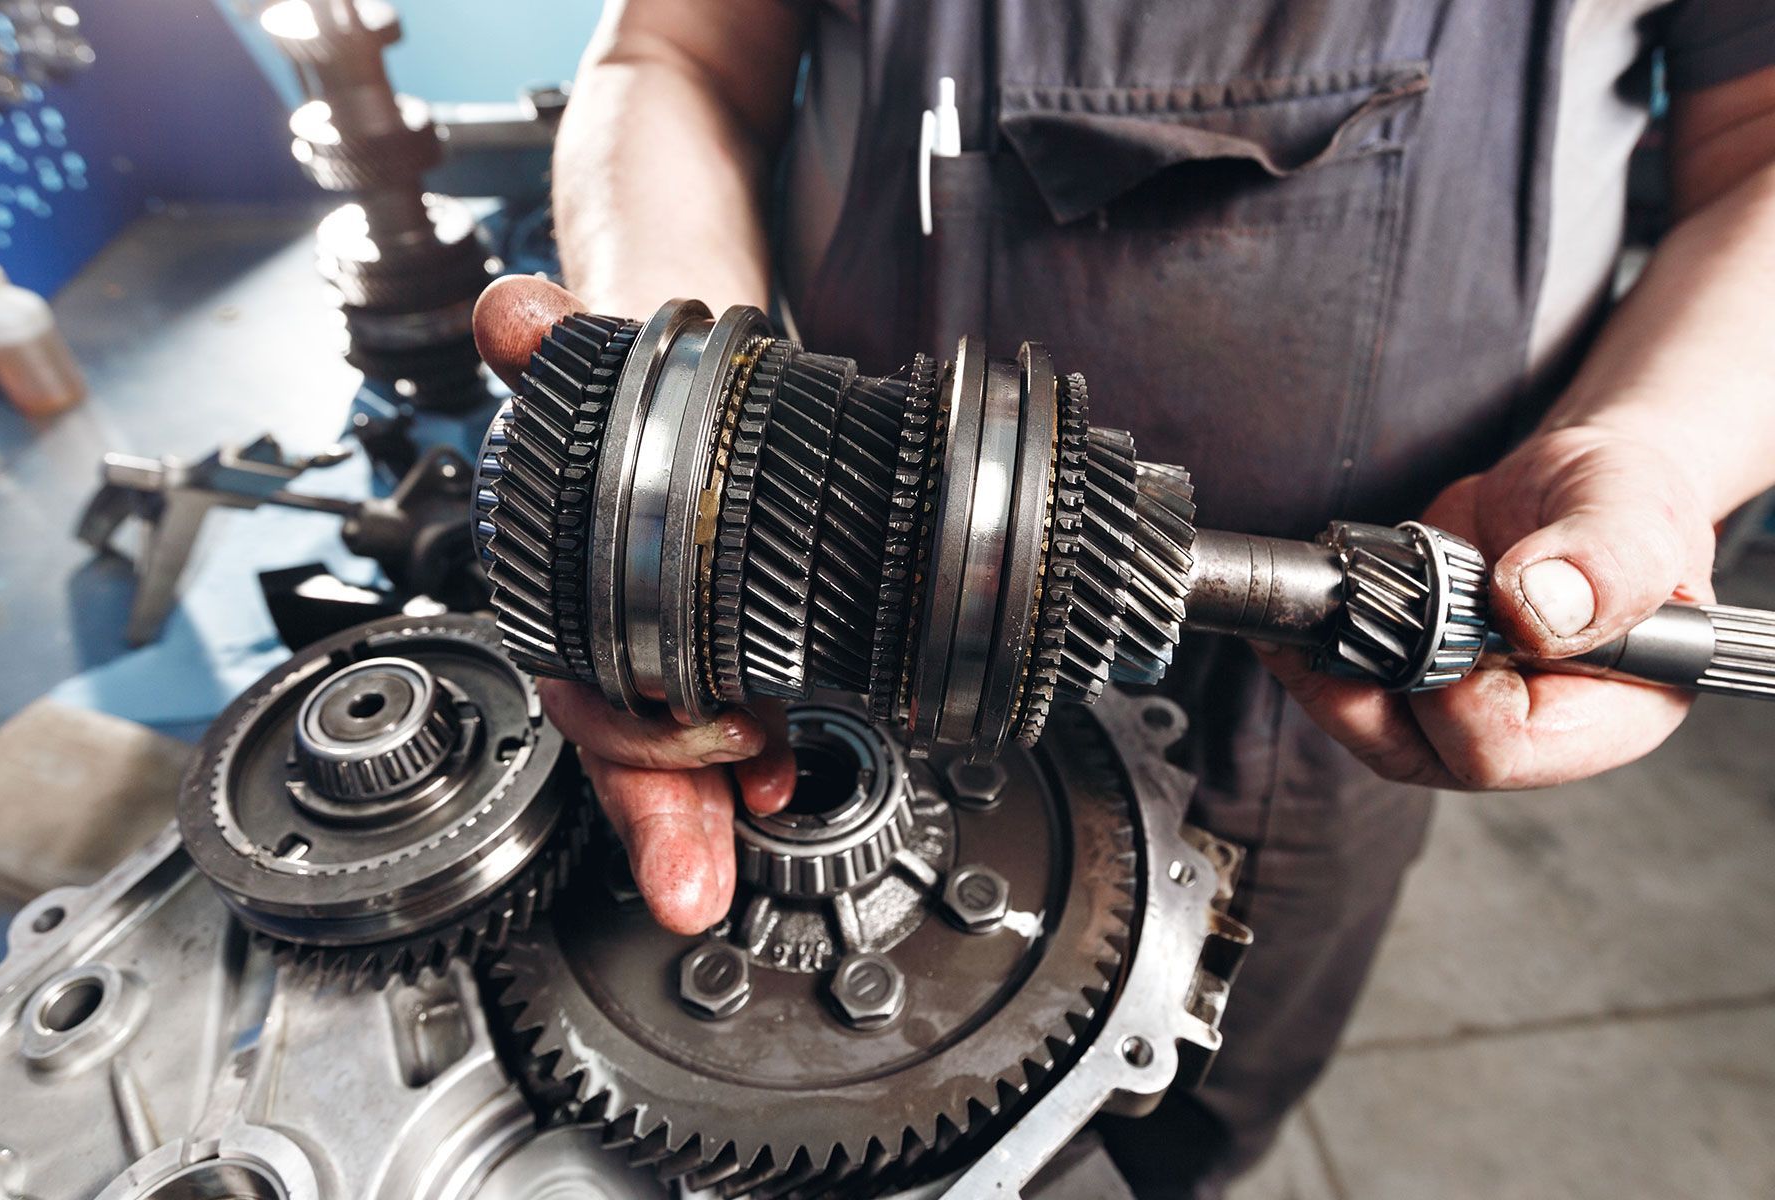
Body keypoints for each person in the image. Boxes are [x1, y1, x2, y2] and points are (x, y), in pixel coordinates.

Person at [473, 1, 1775, 1194]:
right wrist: (688, 472)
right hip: (834, 617)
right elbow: (680, 56)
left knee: (1192, 1105)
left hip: (1336, 698)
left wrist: (1652, 454)